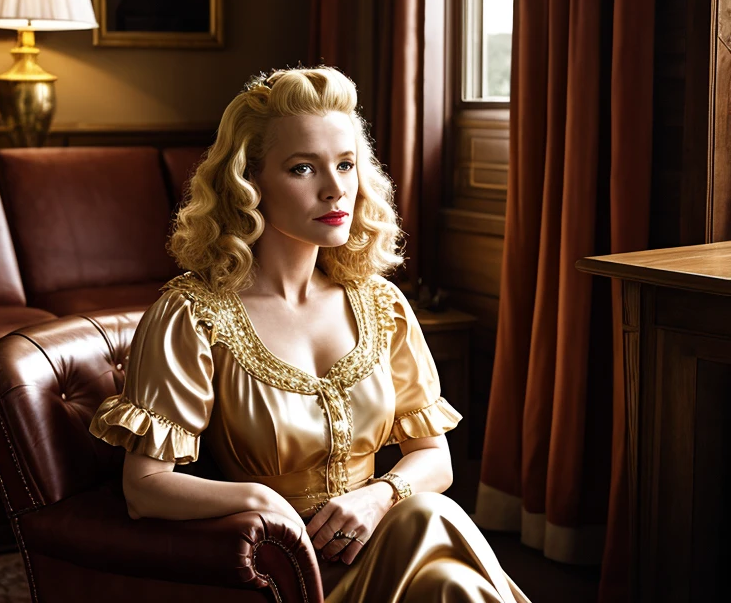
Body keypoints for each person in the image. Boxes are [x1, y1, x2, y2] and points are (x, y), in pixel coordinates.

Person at [89, 67, 530, 602]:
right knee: (436, 539)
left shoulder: (381, 304)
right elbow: (144, 489)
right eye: (303, 168)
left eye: (346, 164)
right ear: (248, 183)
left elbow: (436, 459)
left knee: (447, 575)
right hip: (289, 569)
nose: (335, 188)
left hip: (384, 539)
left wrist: (378, 497)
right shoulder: (194, 314)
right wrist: (261, 500)